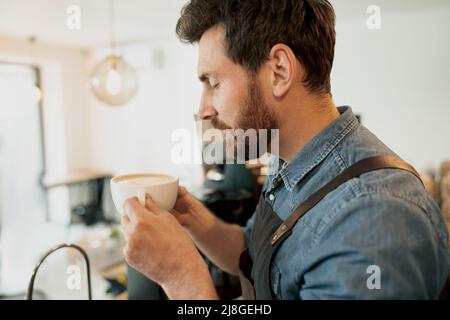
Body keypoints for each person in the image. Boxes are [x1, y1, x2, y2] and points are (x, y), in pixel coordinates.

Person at [121, 0, 450, 299]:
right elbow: (255, 254)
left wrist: (181, 278)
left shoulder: (371, 216)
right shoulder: (289, 163)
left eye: (214, 83)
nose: (203, 110)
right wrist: (193, 219)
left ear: (279, 70)